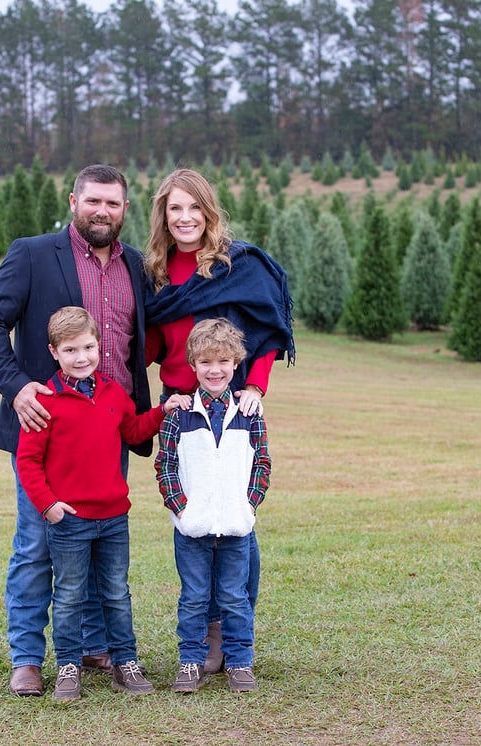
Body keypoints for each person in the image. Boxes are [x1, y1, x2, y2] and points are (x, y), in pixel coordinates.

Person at [0, 164, 153, 697]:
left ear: (125, 209)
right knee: (37, 545)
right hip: (48, 429)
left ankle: (96, 646)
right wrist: (17, 386)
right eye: (94, 201)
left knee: (99, 545)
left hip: (111, 432)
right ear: (73, 200)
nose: (103, 211)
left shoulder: (137, 266)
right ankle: (28, 657)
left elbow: (145, 341)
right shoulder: (32, 254)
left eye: (114, 204)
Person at [144, 167, 294, 674]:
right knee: (194, 524)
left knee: (236, 523)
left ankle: (231, 636)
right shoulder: (156, 274)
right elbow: (147, 343)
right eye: (175, 209)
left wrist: (255, 387)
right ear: (163, 216)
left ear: (210, 212)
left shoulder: (238, 265)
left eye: (195, 207)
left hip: (233, 402)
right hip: (180, 407)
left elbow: (267, 332)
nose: (185, 218)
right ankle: (209, 635)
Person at [16, 307, 190, 700]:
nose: (82, 357)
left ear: (100, 347)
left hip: (113, 517)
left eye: (89, 347)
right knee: (70, 594)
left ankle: (124, 661)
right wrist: (49, 506)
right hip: (69, 520)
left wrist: (162, 411)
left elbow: (132, 430)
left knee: (115, 592)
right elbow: (27, 461)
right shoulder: (47, 401)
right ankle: (67, 667)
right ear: (54, 352)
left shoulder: (113, 392)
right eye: (71, 350)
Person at [155, 318, 271, 693]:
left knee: (235, 598)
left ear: (235, 364)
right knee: (193, 598)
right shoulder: (180, 414)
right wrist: (181, 509)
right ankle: (191, 660)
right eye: (205, 362)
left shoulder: (249, 413)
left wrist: (248, 506)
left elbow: (261, 464)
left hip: (236, 528)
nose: (214, 370)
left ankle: (240, 662)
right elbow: (166, 465)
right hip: (193, 531)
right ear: (193, 366)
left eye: (222, 361)